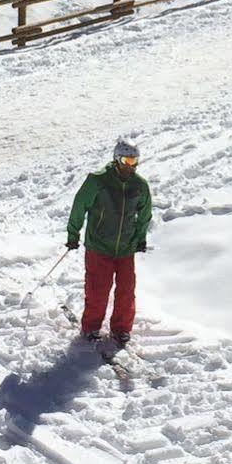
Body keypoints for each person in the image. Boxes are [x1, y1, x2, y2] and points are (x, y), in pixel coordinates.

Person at [66, 138, 153, 345]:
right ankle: (91, 327)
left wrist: (140, 238)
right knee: (98, 289)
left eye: (134, 161)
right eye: (127, 161)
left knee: (126, 290)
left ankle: (121, 329)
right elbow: (80, 206)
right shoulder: (98, 181)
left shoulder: (139, 185)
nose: (130, 166)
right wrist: (73, 234)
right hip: (99, 246)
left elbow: (145, 213)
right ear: (116, 159)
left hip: (125, 248)